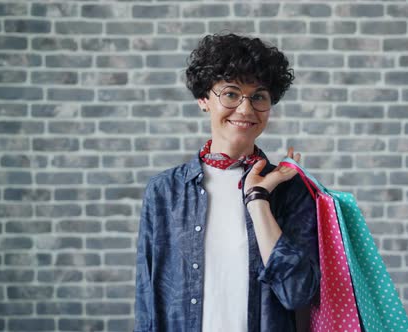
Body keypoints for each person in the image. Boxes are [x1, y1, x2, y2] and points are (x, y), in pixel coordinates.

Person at [133, 33, 319, 332]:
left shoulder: (291, 189)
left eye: (258, 96)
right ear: (204, 100)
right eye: (231, 94)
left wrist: (258, 198)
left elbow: (296, 293)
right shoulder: (164, 191)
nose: (245, 109)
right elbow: (148, 300)